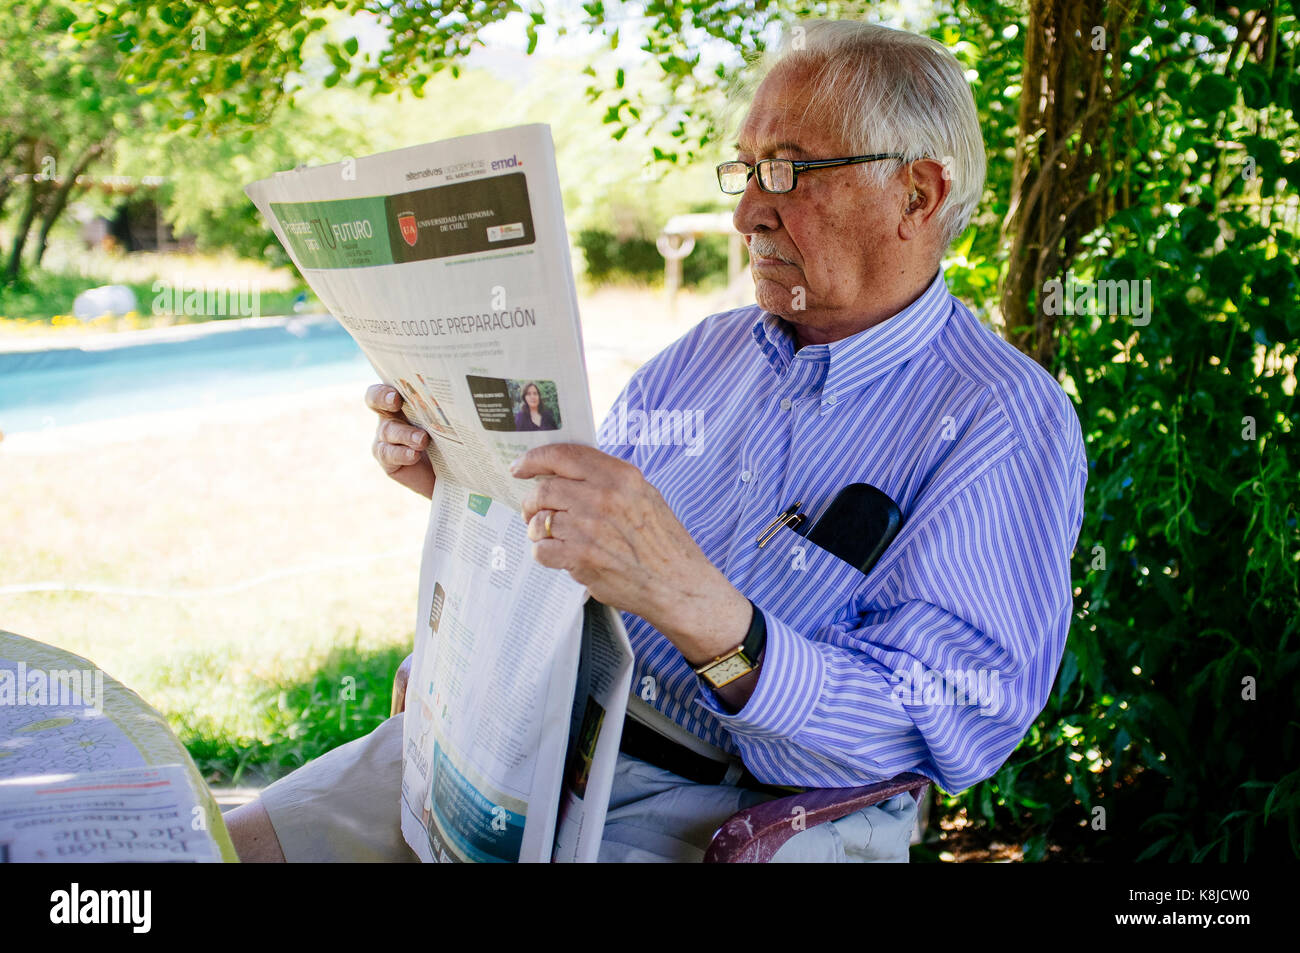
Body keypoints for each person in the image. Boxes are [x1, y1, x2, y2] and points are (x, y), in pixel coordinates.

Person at [226, 19, 1087, 863]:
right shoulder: (703, 356)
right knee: (218, 849)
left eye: (788, 170)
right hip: (523, 724)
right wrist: (459, 471)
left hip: (711, 810)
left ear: (918, 195)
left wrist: (702, 611)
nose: (749, 211)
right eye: (747, 171)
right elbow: (576, 551)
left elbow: (939, 724)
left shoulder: (1003, 420)